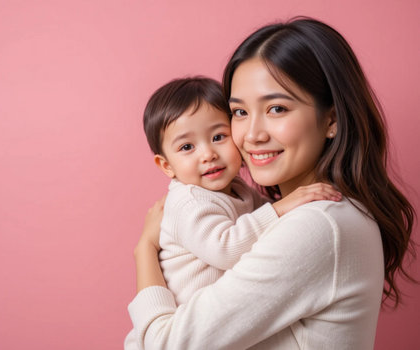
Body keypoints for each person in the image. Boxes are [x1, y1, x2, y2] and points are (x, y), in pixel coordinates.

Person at [127, 17, 415, 349]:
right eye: (239, 113)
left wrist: (145, 251)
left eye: (277, 108)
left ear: (332, 120)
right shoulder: (306, 215)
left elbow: (162, 346)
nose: (252, 135)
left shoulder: (319, 225)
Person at [124, 77, 341, 349]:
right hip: (165, 332)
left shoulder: (236, 188)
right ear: (166, 165)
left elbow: (262, 219)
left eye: (218, 137)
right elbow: (225, 249)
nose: (208, 154)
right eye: (187, 147)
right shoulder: (188, 202)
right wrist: (283, 206)